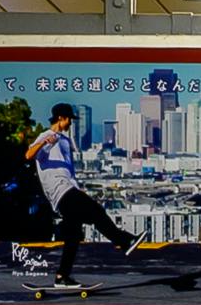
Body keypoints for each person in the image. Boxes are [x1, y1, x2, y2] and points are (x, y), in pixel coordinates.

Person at [22, 102, 137, 288]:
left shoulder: (66, 141)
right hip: (61, 191)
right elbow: (28, 155)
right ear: (61, 118)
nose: (71, 124)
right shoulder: (47, 135)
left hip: (68, 189)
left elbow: (69, 171)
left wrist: (77, 187)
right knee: (96, 211)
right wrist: (44, 143)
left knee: (73, 236)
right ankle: (124, 241)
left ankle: (62, 277)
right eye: (69, 120)